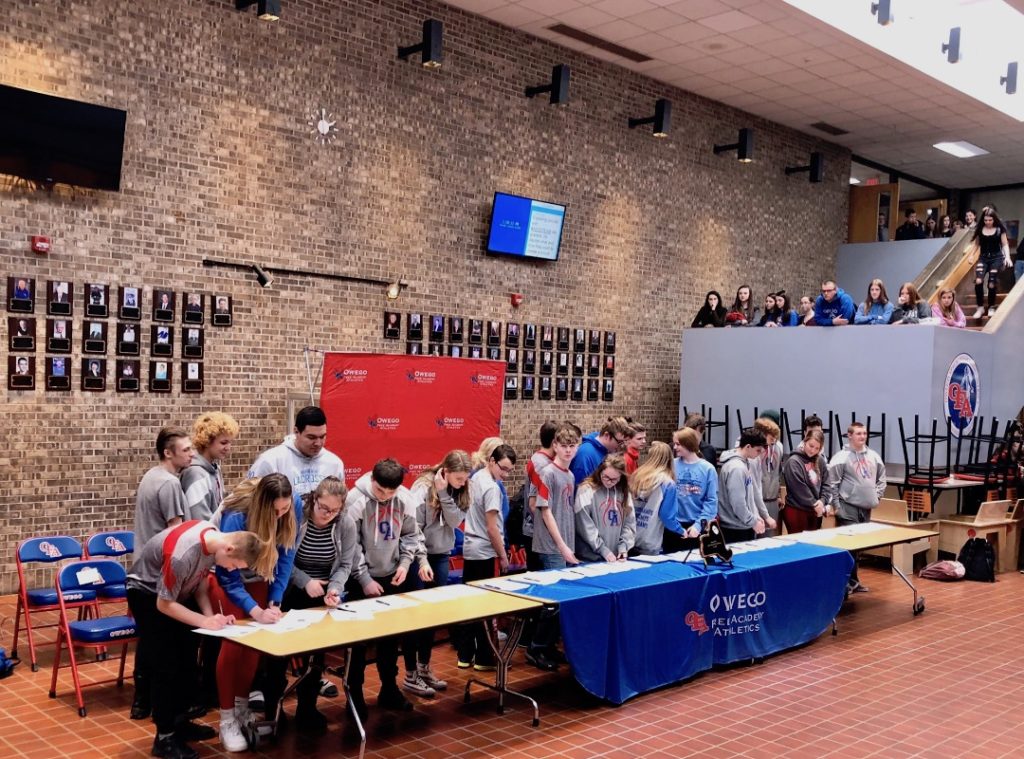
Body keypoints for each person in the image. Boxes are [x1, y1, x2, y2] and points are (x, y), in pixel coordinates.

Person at [127, 522, 264, 759]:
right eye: (233, 565)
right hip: (147, 595)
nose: (230, 569)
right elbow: (163, 603)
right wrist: (203, 621)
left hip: (177, 595)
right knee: (166, 664)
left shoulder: (213, 541)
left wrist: (210, 617)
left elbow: (198, 581)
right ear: (229, 549)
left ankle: (180, 722)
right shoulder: (183, 553)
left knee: (187, 660)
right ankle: (165, 737)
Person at [211, 474, 299, 751]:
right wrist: (253, 609)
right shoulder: (237, 514)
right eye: (276, 510)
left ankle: (241, 707)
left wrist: (274, 601)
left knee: (254, 646)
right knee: (234, 647)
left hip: (261, 577)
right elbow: (227, 577)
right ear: (262, 503)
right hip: (231, 578)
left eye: (285, 509)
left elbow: (286, 555)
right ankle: (226, 719)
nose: (282, 513)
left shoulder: (291, 504)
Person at [266, 476, 357, 730]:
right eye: (323, 508)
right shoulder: (297, 518)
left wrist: (336, 588)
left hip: (323, 591)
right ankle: (273, 708)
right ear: (313, 500)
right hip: (291, 588)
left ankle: (307, 708)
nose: (328, 514)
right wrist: (305, 581)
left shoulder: (345, 524)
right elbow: (282, 559)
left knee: (315, 654)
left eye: (334, 510)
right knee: (279, 652)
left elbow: (345, 564)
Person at [345, 459, 431, 719]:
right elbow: (351, 544)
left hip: (393, 574)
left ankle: (389, 688)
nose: (384, 497)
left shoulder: (405, 499)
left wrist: (405, 564)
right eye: (380, 490)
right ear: (372, 480)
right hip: (362, 577)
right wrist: (363, 579)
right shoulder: (355, 500)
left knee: (390, 638)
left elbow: (410, 535)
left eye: (390, 492)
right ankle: (354, 692)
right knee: (358, 641)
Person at [130, 427, 193, 720]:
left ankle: (142, 701)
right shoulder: (168, 484)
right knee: (168, 653)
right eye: (186, 450)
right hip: (157, 574)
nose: (192, 454)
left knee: (150, 644)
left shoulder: (150, 476)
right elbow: (176, 535)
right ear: (168, 453)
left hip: (142, 573)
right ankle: (164, 712)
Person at [405, 450, 471, 696]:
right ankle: (410, 673)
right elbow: (413, 530)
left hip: (440, 554)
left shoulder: (461, 489)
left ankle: (424, 667)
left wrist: (445, 493)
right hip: (417, 557)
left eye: (465, 479)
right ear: (445, 471)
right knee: (416, 617)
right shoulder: (422, 489)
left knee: (432, 616)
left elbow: (454, 522)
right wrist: (421, 561)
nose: (462, 483)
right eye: (458, 479)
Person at [455, 444, 514, 671]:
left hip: (471, 548)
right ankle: (485, 658)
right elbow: (492, 529)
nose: (505, 475)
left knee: (471, 605)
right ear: (491, 460)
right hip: (485, 552)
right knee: (486, 608)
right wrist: (503, 556)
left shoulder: (476, 477)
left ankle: (465, 654)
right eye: (503, 469)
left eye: (509, 470)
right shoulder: (492, 488)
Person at [527, 424, 580, 671]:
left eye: (572, 446)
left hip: (565, 542)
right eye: (564, 446)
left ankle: (547, 646)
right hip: (551, 545)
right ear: (555, 446)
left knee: (561, 601)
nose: (568, 450)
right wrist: (562, 547)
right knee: (552, 601)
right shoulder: (548, 473)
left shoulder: (569, 475)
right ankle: (536, 648)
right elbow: (544, 511)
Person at [823, 422, 886, 592]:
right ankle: (846, 582)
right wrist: (835, 506)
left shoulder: (873, 456)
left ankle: (854, 580)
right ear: (849, 435)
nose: (862, 436)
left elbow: (882, 478)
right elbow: (832, 484)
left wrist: (877, 496)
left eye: (864, 433)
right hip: (847, 506)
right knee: (849, 545)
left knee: (858, 546)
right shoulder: (841, 458)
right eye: (858, 433)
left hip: (866, 507)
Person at [248, 406, 344, 497]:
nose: (318, 443)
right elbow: (249, 497)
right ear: (296, 431)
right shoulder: (270, 461)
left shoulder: (334, 464)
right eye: (311, 437)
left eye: (322, 437)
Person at [717, 428, 773, 544]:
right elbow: (738, 503)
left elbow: (751, 495)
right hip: (734, 528)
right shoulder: (737, 468)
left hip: (742, 524)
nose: (759, 454)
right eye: (757, 450)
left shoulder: (744, 464)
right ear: (748, 446)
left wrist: (755, 517)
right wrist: (752, 521)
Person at [574, 454, 634, 562]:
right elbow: (585, 527)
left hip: (615, 558)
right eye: (605, 477)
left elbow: (629, 524)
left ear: (621, 477)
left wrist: (624, 546)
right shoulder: (586, 490)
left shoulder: (624, 493)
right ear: (600, 471)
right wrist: (602, 549)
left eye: (614, 479)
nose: (609, 482)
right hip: (590, 557)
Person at [181, 412, 239, 521]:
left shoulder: (215, 468)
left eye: (230, 442)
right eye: (223, 443)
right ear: (207, 442)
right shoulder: (195, 474)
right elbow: (199, 520)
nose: (228, 447)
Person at [629, 441, 683, 555]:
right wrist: (681, 530)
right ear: (669, 458)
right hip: (651, 539)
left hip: (631, 536)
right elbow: (667, 516)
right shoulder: (667, 483)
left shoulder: (637, 477)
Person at [670, 428, 719, 551]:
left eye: (678, 444)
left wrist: (698, 525)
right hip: (673, 526)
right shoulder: (671, 465)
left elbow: (711, 501)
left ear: (688, 444)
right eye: (674, 444)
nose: (675, 447)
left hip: (696, 526)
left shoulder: (708, 469)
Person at [524, 421, 558, 572]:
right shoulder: (542, 465)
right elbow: (534, 504)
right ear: (554, 442)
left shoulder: (541, 460)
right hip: (536, 532)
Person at [781, 428, 828, 534]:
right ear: (805, 441)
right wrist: (815, 504)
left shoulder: (820, 460)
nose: (813, 451)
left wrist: (822, 501)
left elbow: (826, 483)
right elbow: (799, 489)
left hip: (815, 510)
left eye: (817, 448)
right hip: (797, 510)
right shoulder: (793, 462)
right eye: (811, 446)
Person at [969, 209, 1011, 319]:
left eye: (990, 220)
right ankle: (980, 307)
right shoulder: (980, 230)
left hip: (996, 258)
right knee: (978, 281)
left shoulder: (999, 229)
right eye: (986, 220)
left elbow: (1005, 244)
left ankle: (991, 306)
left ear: (994, 219)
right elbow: (976, 244)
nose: (988, 222)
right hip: (983, 258)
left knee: (991, 282)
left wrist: (1008, 257)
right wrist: (972, 255)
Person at [568, 417, 631, 485]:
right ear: (607, 435)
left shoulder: (607, 450)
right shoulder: (585, 455)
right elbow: (579, 488)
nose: (621, 446)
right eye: (619, 442)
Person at [752, 415, 783, 538]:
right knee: (754, 537)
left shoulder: (779, 447)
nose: (773, 441)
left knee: (769, 537)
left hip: (772, 499)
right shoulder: (753, 449)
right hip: (755, 500)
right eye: (771, 438)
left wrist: (779, 494)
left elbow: (779, 472)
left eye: (775, 438)